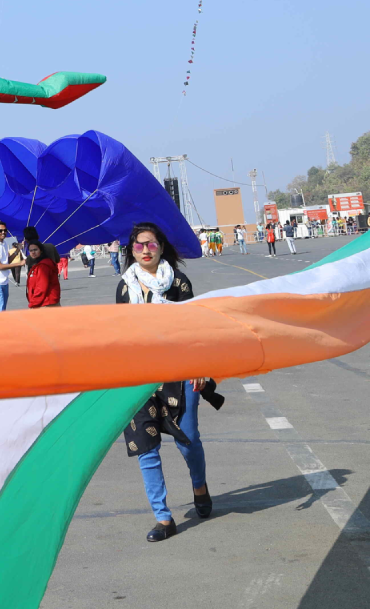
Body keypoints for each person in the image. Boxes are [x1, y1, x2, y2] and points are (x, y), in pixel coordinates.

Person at [117, 221, 214, 541]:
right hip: (139, 376)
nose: (145, 250)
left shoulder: (178, 283)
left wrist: (200, 365)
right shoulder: (124, 286)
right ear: (131, 250)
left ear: (161, 247)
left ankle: (199, 486)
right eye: (138, 245)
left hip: (179, 371)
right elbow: (119, 336)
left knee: (187, 438)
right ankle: (163, 518)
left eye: (151, 244)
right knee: (146, 448)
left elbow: (192, 327)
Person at [25, 234, 62, 308]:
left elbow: (41, 287)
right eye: (31, 250)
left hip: (45, 303)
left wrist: (33, 303)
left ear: (41, 251)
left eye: (35, 250)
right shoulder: (37, 265)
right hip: (45, 301)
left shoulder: (43, 266)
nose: (33, 252)